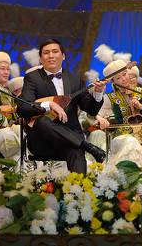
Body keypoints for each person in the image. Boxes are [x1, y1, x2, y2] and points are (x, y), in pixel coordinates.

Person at [14, 39, 110, 173]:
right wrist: (49, 105)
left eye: (55, 52)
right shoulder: (33, 78)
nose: (51, 56)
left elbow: (91, 110)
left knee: (76, 154)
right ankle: (87, 146)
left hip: (71, 140)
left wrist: (98, 93)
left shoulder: (75, 79)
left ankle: (79, 186)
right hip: (43, 141)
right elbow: (22, 108)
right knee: (42, 121)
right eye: (46, 53)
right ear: (41, 59)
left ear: (63, 56)